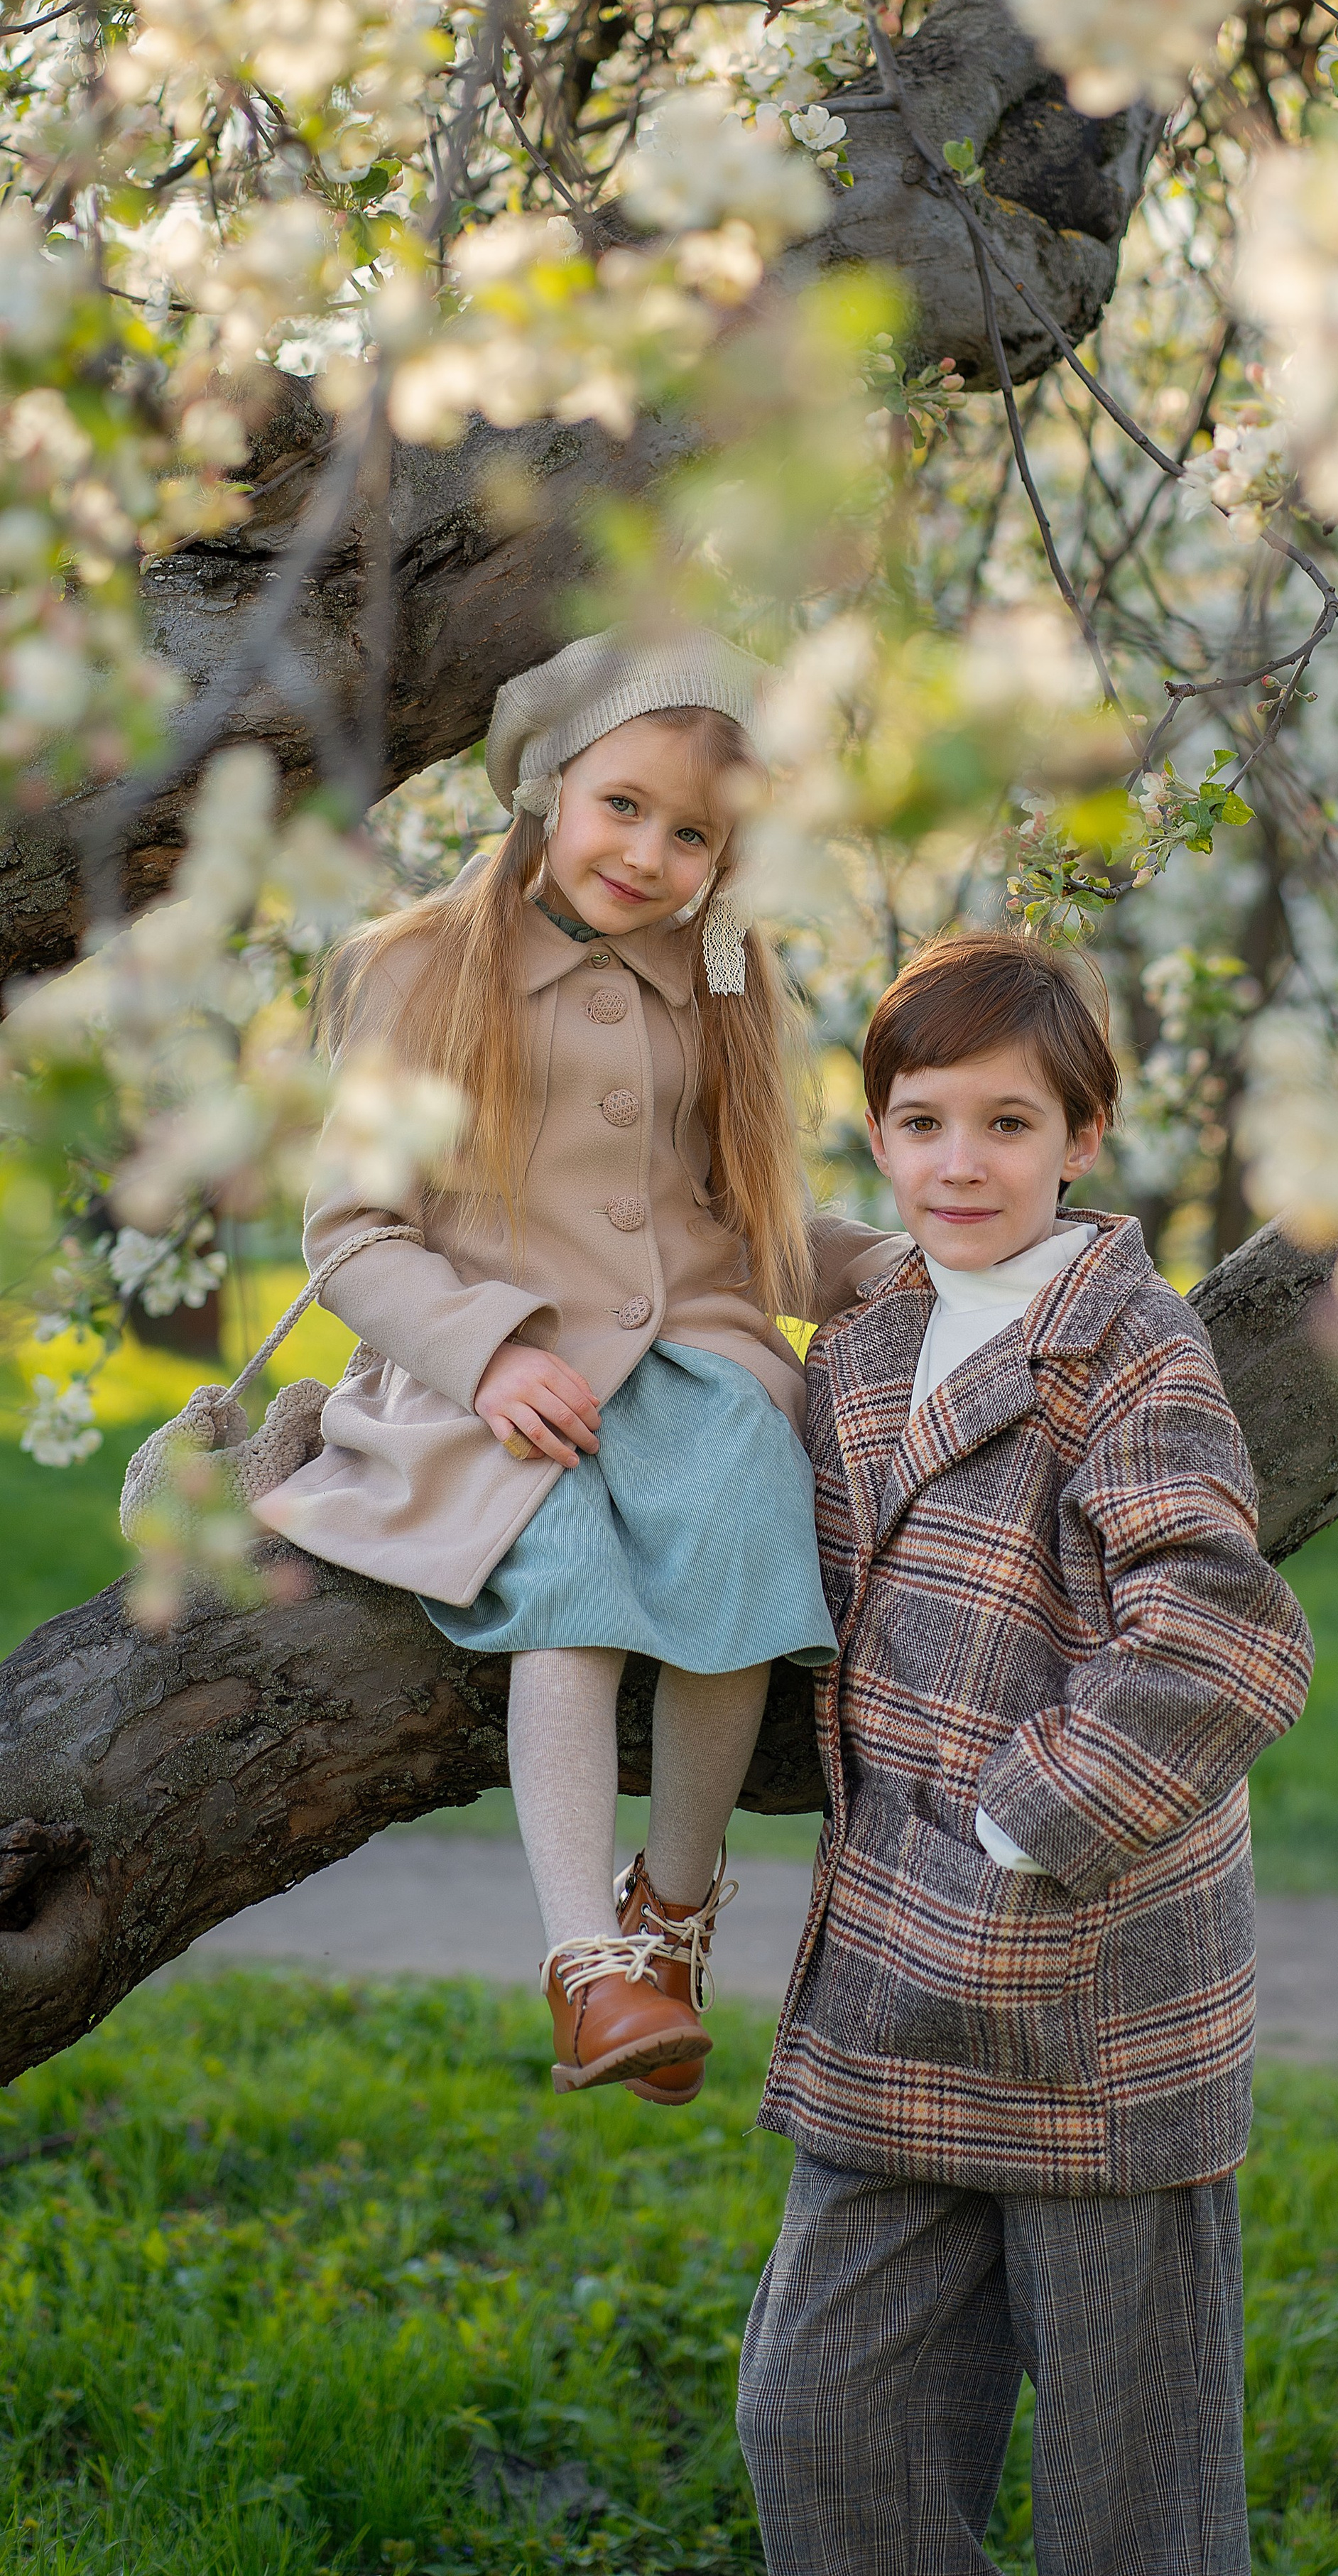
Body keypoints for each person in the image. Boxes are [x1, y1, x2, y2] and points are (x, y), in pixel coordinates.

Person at [737, 931, 1314, 2576]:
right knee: (815, 2419)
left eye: (1006, 1122)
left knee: (1131, 2497)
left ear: (1080, 1138)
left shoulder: (1132, 1349)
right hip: (892, 1990)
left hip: (1091, 1983)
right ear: (876, 1139)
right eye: (920, 1122)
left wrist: (1014, 1830)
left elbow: (1218, 1635)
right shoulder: (856, 1354)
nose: (959, 1161)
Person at [256, 626, 898, 2104]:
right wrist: (483, 1357)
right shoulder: (418, 967)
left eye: (693, 835)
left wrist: (889, 1265)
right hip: (490, 1370)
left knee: (742, 1522)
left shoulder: (722, 979)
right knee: (561, 1568)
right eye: (624, 805)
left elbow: (745, 1216)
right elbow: (352, 1234)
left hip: (678, 1354)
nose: (648, 852)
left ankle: (670, 1917)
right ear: (550, 779)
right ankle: (581, 1965)